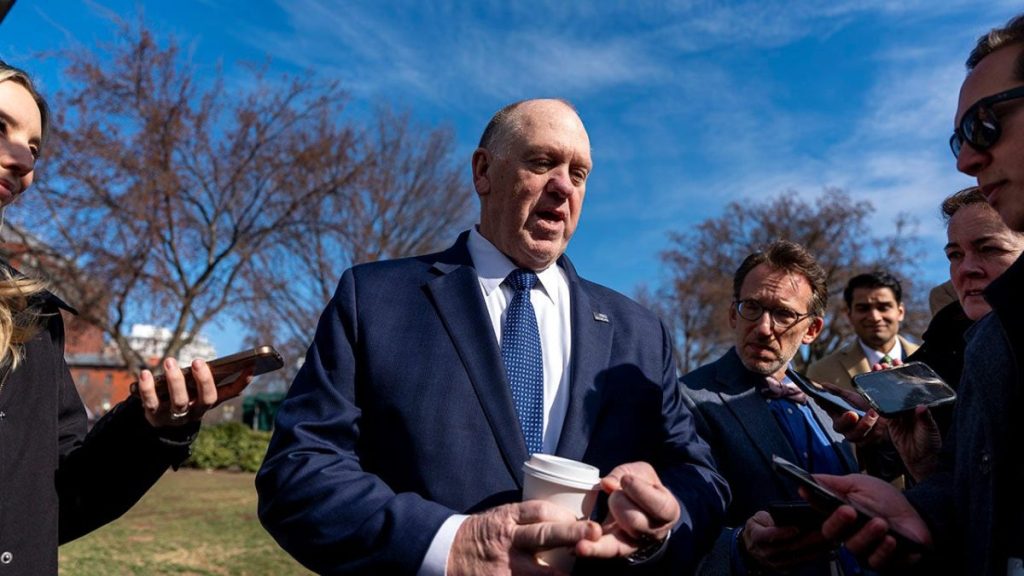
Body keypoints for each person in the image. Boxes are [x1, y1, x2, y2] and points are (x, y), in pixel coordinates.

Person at [256, 98, 729, 575]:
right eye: (542, 162)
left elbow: (699, 476)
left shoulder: (641, 333)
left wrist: (661, 523)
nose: (564, 186)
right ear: (483, 172)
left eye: (579, 174)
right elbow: (298, 470)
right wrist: (450, 546)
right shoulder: (374, 300)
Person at [816, 13, 1024, 575]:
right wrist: (922, 497)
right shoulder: (985, 341)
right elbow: (984, 497)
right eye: (954, 254)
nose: (966, 160)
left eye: (986, 125)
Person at [0, 60, 221, 575]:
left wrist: (151, 429)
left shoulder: (33, 318)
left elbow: (57, 502)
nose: (25, 162)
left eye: (35, 149)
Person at [680, 240, 858, 576]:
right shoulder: (688, 400)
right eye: (752, 307)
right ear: (733, 314)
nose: (763, 328)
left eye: (783, 314)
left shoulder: (825, 401)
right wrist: (739, 548)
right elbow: (678, 525)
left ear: (812, 330)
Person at [807, 271, 918, 392]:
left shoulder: (931, 360)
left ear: (900, 312)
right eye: (863, 308)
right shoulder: (822, 372)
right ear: (849, 315)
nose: (875, 317)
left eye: (883, 307)